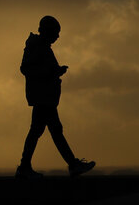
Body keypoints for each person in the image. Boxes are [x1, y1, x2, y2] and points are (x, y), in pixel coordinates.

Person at [16, 15, 95, 179]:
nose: (58, 36)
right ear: (48, 32)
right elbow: (26, 69)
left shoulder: (42, 46)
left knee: (41, 131)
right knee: (52, 131)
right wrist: (52, 73)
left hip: (45, 96)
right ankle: (72, 165)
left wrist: (56, 71)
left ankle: (25, 166)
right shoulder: (36, 46)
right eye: (56, 33)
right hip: (42, 97)